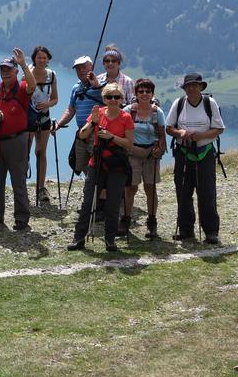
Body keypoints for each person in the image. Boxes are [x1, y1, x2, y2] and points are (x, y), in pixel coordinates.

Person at [67, 83, 135, 253]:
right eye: (109, 97)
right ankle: (79, 238)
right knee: (88, 202)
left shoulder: (126, 118)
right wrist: (93, 123)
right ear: (104, 98)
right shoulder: (98, 114)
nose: (113, 100)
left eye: (116, 97)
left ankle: (110, 240)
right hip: (96, 164)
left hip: (117, 165)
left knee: (112, 204)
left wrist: (111, 137)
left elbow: (129, 144)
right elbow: (82, 135)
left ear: (122, 99)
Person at [0, 50, 37, 230]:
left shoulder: (21, 88)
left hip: (16, 140)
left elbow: (32, 86)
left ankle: (21, 220)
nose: (5, 72)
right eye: (3, 69)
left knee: (17, 180)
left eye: (9, 69)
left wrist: (23, 63)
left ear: (16, 72)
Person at [165, 73, 225, 245]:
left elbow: (219, 128)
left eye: (194, 85)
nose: (191, 89)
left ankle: (211, 231)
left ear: (201, 87)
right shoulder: (179, 103)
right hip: (183, 153)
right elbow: (169, 128)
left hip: (205, 153)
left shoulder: (209, 103)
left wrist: (200, 136)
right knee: (183, 191)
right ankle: (186, 229)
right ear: (184, 89)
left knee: (207, 192)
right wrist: (180, 133)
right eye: (188, 86)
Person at [123, 78, 166, 239]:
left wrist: (159, 147)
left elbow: (162, 135)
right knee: (130, 188)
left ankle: (152, 222)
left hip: (151, 155)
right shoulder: (128, 111)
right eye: (141, 91)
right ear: (136, 94)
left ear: (152, 94)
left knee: (150, 188)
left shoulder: (157, 112)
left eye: (148, 91)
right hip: (133, 152)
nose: (144, 94)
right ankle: (126, 220)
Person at [51, 56, 105, 176]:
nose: (81, 70)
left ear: (91, 67)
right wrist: (59, 124)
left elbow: (110, 102)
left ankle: (98, 191)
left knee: (97, 164)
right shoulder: (76, 87)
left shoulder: (101, 85)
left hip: (97, 132)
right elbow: (71, 110)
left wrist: (96, 84)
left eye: (84, 67)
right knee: (83, 165)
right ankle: (91, 189)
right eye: (78, 68)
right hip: (82, 132)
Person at [26, 46, 59, 204]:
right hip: (29, 118)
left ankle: (40, 187)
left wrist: (48, 104)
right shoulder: (28, 74)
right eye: (39, 57)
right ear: (34, 59)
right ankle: (22, 186)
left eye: (44, 58)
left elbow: (55, 98)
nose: (42, 60)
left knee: (41, 152)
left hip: (44, 117)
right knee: (25, 152)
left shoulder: (52, 75)